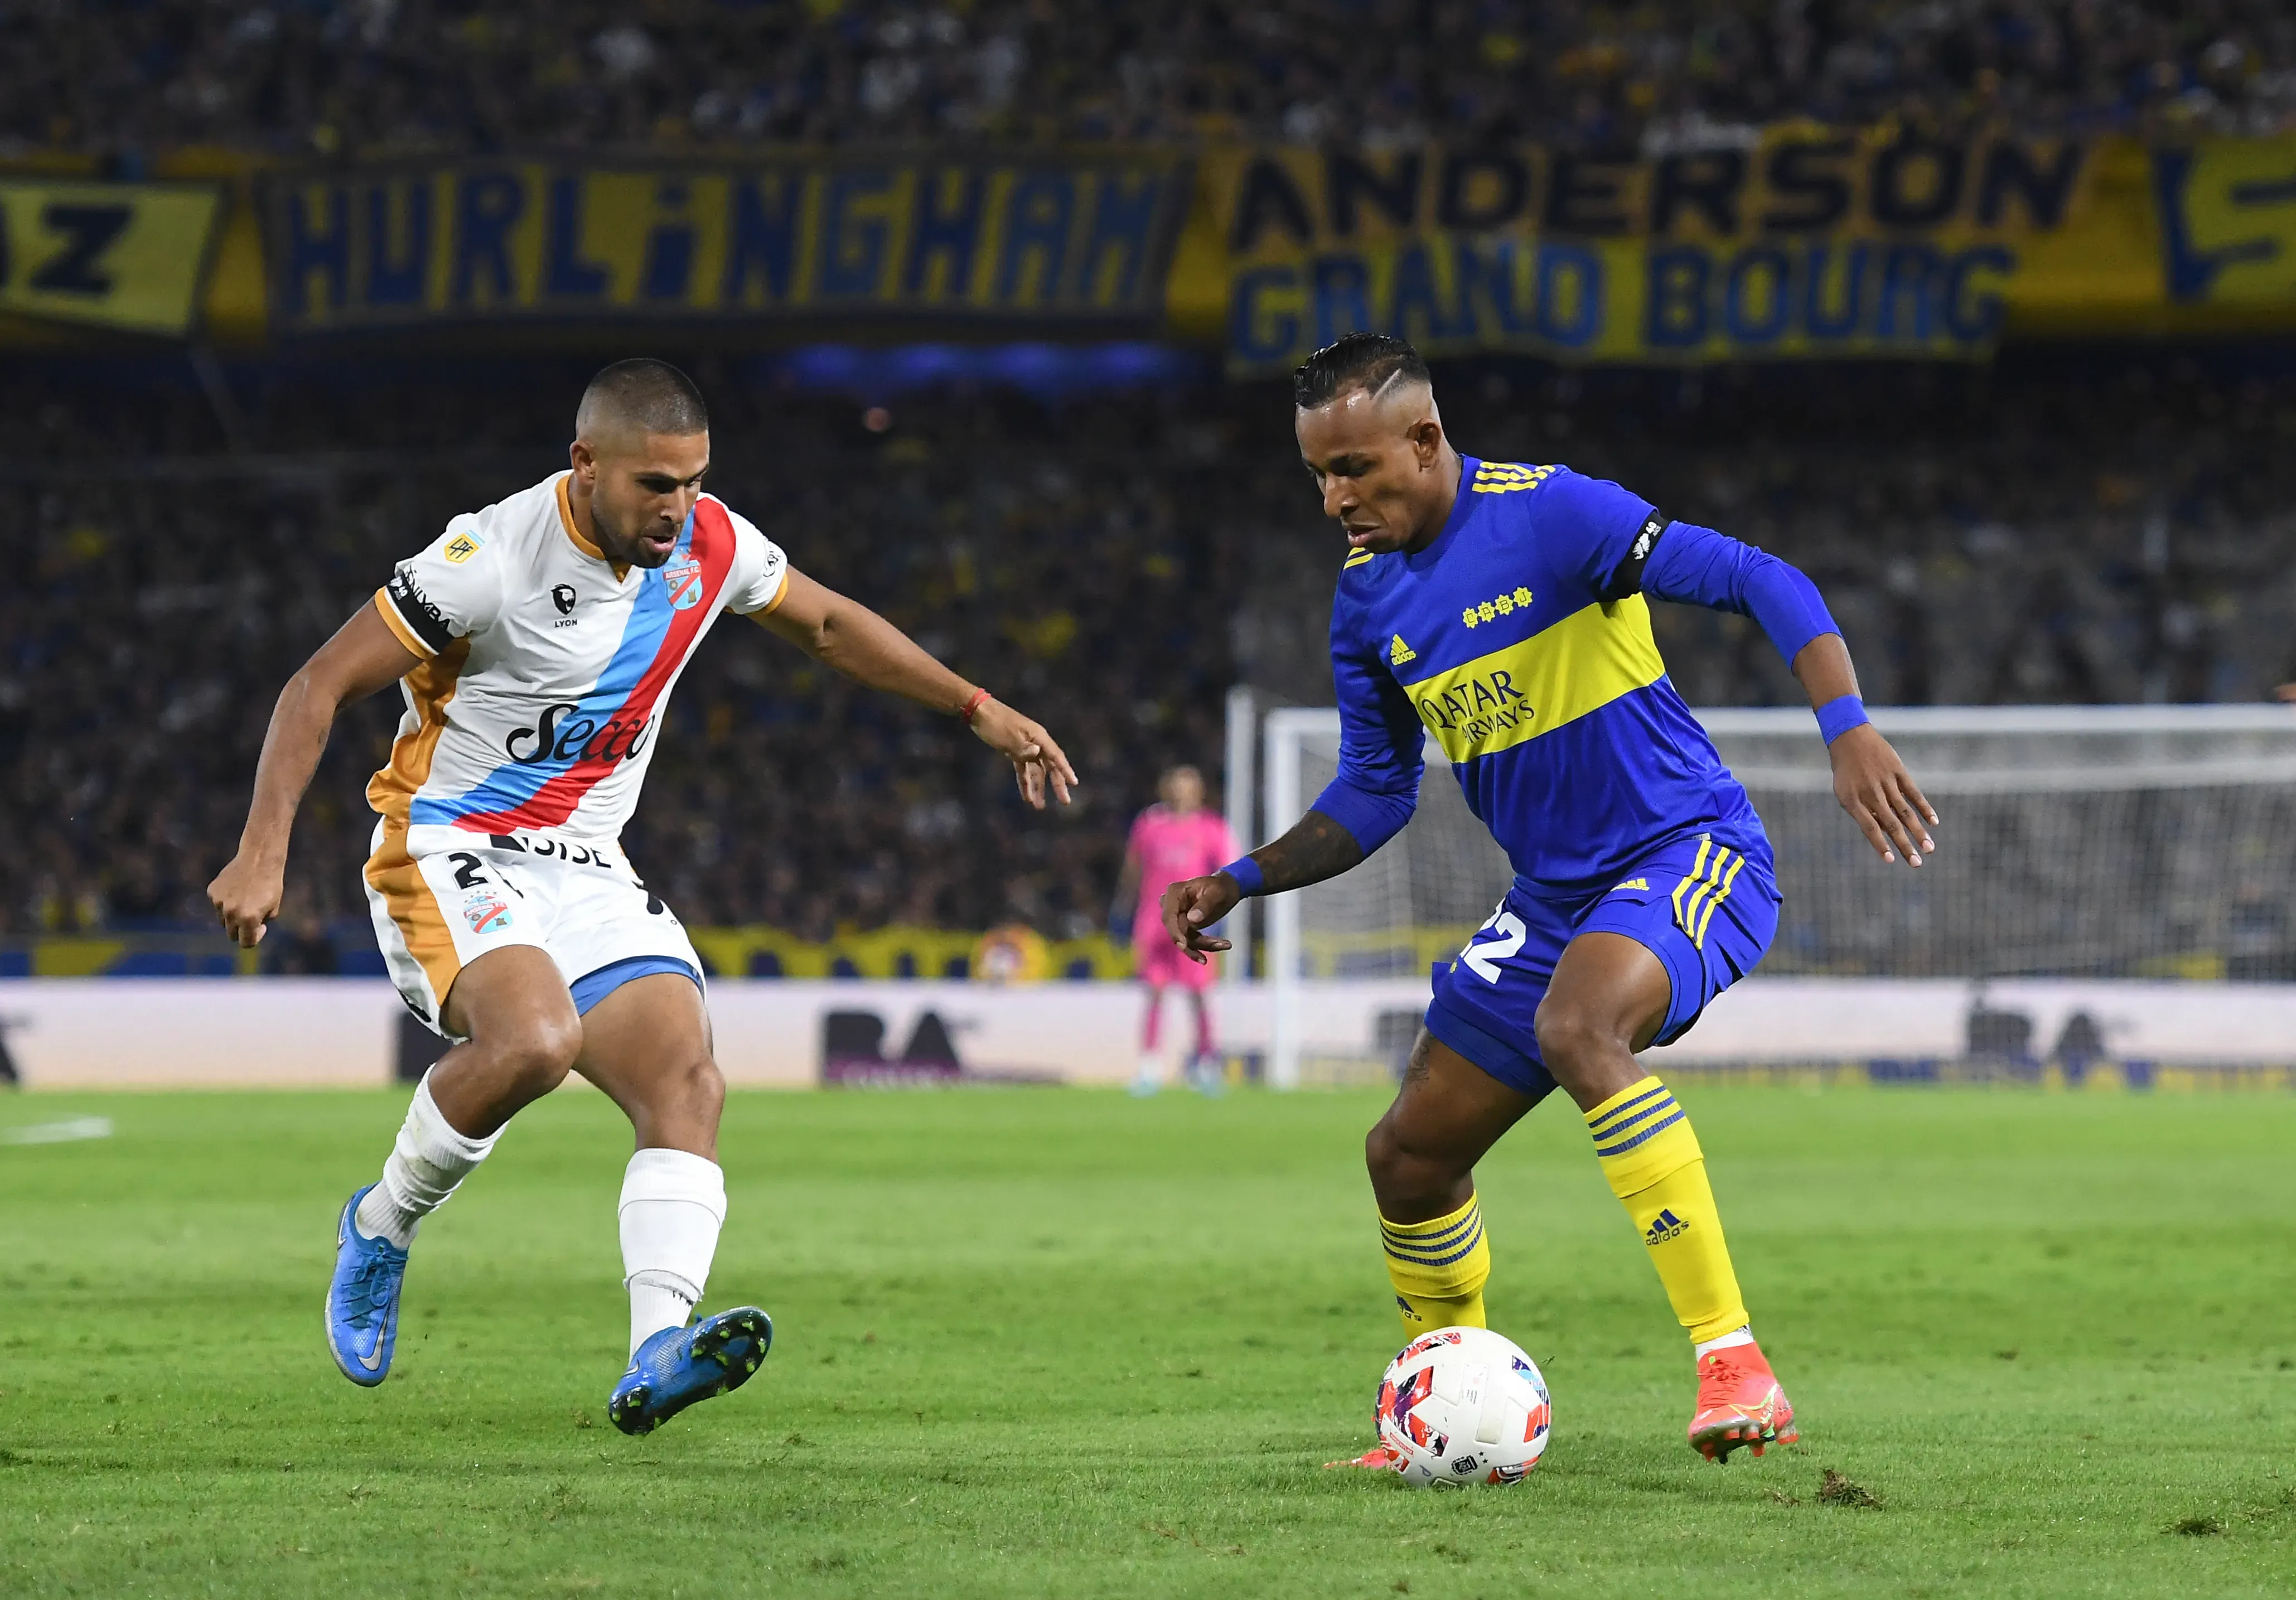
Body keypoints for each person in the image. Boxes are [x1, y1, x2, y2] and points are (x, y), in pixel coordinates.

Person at [207, 359, 1075, 1434]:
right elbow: (318, 683)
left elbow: (827, 625)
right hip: (446, 844)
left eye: (694, 480)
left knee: (687, 1079)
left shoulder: (710, 542)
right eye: (655, 484)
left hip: (585, 859)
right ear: (585, 464)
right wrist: (263, 853)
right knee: (535, 1041)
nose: (679, 506)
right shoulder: (487, 558)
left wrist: (977, 706)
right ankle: (381, 1223)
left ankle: (656, 1348)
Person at [1160, 334, 1936, 1466]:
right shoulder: (1366, 602)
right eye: (1319, 475)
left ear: (1425, 439)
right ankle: (1441, 1399)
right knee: (1407, 1155)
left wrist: (1847, 727)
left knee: (1578, 1026)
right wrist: (1239, 877)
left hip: (1689, 849)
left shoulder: (1555, 513)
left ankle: (1735, 1364)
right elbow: (1375, 791)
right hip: (1553, 901)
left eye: (1356, 468)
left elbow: (1760, 577)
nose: (1335, 499)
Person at [1110, 765, 1238, 1094]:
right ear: (1165, 789)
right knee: (1154, 991)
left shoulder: (1212, 828)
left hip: (1193, 924)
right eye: (1176, 787)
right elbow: (1132, 871)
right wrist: (1122, 911)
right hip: (1153, 923)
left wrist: (1217, 915)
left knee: (1199, 994)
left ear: (1199, 792)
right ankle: (1149, 1068)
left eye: (1188, 787)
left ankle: (1207, 1065)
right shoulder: (1150, 825)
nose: (1182, 793)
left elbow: (1227, 876)